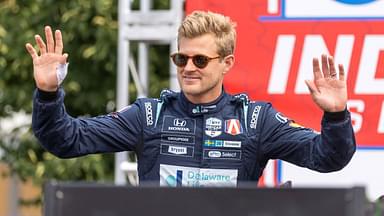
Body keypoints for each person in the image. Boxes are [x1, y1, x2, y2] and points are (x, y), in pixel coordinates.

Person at [26, 11, 356, 187]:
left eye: (200, 60)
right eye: (181, 59)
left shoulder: (256, 120)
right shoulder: (149, 115)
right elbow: (65, 140)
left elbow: (328, 158)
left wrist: (337, 115)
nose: (188, 68)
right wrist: (48, 93)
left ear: (227, 62)